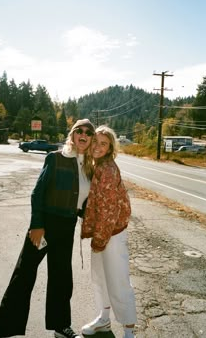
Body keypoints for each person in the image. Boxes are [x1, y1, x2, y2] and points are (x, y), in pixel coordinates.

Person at [0, 119, 95, 338]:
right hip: (45, 224)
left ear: (91, 138)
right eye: (79, 131)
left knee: (61, 277)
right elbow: (37, 193)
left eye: (88, 132)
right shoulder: (55, 158)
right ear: (73, 134)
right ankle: (3, 330)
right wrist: (36, 224)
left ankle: (60, 326)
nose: (83, 135)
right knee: (24, 274)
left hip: (67, 226)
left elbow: (83, 201)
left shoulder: (89, 166)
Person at [81, 125, 137, 338]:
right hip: (102, 233)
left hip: (111, 234)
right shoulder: (96, 165)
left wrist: (99, 239)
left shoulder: (108, 169)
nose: (97, 146)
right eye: (95, 141)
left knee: (118, 281)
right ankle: (104, 320)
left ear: (110, 147)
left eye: (103, 143)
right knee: (100, 278)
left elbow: (108, 210)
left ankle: (128, 331)